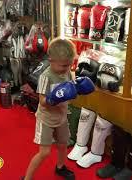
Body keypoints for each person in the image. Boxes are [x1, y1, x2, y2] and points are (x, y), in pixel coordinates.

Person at [23, 37, 94, 180]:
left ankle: (60, 167)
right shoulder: (46, 77)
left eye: (69, 65)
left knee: (63, 145)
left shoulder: (67, 72)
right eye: (63, 66)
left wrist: (77, 90)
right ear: (51, 61)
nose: (66, 69)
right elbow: (42, 100)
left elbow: (70, 94)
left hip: (61, 117)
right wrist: (52, 98)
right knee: (44, 153)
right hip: (46, 120)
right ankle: (27, 178)